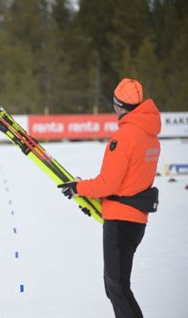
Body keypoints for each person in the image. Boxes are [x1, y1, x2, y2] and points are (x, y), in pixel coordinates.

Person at [58, 78, 161, 318]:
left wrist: (77, 187)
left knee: (117, 287)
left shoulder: (125, 136)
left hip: (121, 220)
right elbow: (129, 182)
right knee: (115, 286)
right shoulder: (150, 134)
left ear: (118, 105)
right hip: (135, 219)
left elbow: (108, 184)